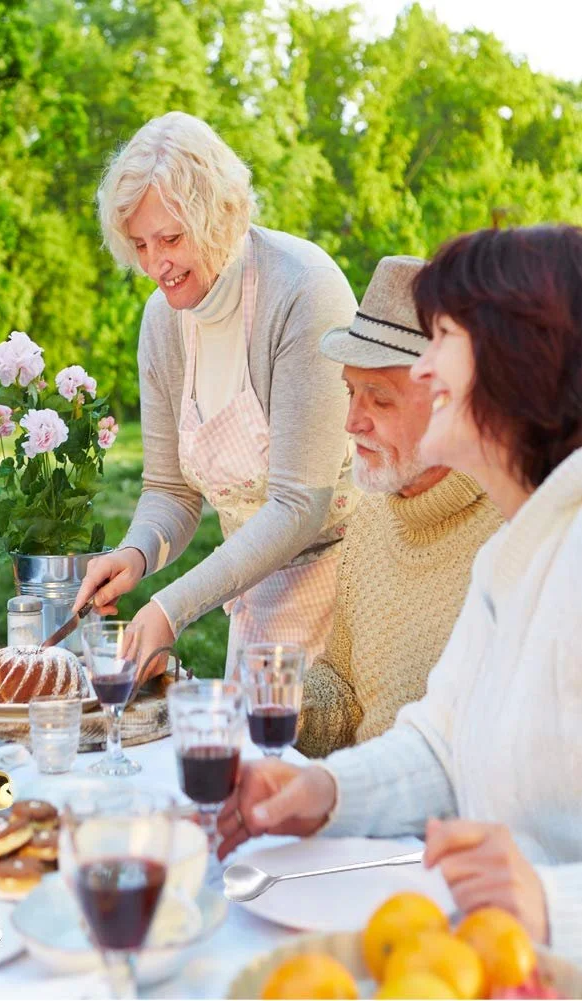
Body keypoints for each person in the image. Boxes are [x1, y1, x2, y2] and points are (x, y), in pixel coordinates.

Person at [217, 225, 582, 961]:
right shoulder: (512, 552)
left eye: (443, 337)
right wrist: (324, 792)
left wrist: (554, 903)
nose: (425, 364)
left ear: (517, 363)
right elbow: (442, 746)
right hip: (475, 953)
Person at [74, 111, 360, 678]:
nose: (155, 264)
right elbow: (170, 491)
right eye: (140, 244)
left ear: (219, 217)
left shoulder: (304, 292)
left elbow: (300, 504)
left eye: (171, 239)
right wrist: (136, 553)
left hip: (348, 589)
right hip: (249, 585)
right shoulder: (163, 322)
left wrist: (172, 608)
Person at [296, 255, 502, 757]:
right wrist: (277, 704)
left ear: (450, 400)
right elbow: (344, 686)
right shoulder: (373, 513)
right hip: (367, 796)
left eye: (380, 399)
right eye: (351, 392)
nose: (352, 422)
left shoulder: (512, 534)